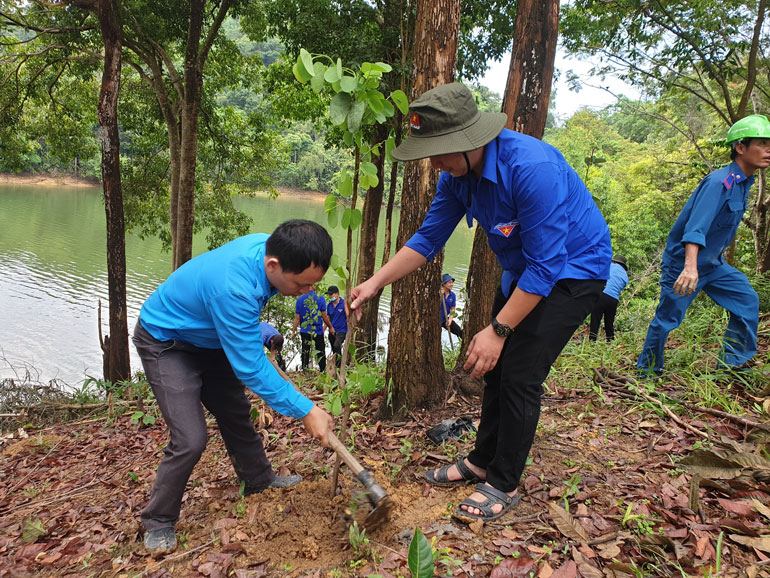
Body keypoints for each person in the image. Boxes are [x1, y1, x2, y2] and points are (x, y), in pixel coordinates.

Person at [349, 83, 611, 523]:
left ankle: (504, 482)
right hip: (521, 272)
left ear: (469, 141)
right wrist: (374, 283)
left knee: (521, 375)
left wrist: (499, 330)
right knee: (495, 371)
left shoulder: (532, 168)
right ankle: (481, 460)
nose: (433, 163)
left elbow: (548, 266)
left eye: (439, 151)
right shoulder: (456, 178)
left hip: (573, 273)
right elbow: (428, 238)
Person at [132, 219, 335, 556]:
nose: (306, 292)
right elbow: (251, 367)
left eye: (312, 285)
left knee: (236, 412)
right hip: (167, 342)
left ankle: (258, 481)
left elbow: (242, 321)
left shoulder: (267, 247)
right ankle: (158, 520)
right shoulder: (233, 286)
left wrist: (260, 329)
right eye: (301, 284)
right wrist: (305, 409)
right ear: (273, 265)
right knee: (191, 438)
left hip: (210, 340)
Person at [637, 115, 770, 377]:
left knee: (746, 300)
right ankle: (647, 374)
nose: (768, 150)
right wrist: (689, 268)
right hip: (684, 264)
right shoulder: (719, 182)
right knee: (668, 318)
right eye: (762, 144)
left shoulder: (743, 183)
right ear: (740, 148)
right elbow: (695, 228)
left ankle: (733, 363)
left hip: (713, 265)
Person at [292, 285, 333, 372]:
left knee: (305, 350)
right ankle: (323, 370)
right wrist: (330, 327)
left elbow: (297, 318)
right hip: (317, 330)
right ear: (312, 286)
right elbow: (324, 316)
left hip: (305, 330)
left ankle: (305, 370)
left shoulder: (300, 300)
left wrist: (293, 331)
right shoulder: (320, 298)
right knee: (320, 351)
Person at [589, 255, 628, 341]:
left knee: (595, 319)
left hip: (602, 294)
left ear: (614, 261)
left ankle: (592, 342)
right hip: (614, 300)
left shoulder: (609, 265)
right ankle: (610, 342)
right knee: (609, 322)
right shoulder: (625, 276)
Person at [326, 285, 349, 367]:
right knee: (334, 349)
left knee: (337, 345)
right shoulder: (329, 305)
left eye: (331, 294)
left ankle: (340, 365)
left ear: (337, 294)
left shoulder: (343, 303)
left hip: (341, 330)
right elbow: (327, 319)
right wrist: (323, 329)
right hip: (332, 331)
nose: (330, 296)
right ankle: (337, 365)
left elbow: (348, 316)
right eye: (329, 295)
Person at [440, 273, 464, 339]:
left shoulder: (452, 295)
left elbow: (452, 309)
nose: (451, 284)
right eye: (449, 283)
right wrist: (440, 295)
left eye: (452, 282)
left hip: (445, 319)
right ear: (444, 284)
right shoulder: (439, 293)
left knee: (460, 332)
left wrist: (450, 320)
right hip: (435, 319)